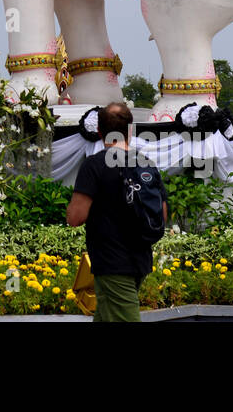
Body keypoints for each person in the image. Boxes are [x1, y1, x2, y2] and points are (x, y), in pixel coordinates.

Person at [66, 101, 167, 322]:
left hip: (111, 262)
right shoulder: (146, 164)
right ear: (130, 129)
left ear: (100, 131)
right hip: (140, 260)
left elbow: (75, 218)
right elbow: (162, 214)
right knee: (106, 314)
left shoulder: (95, 165)